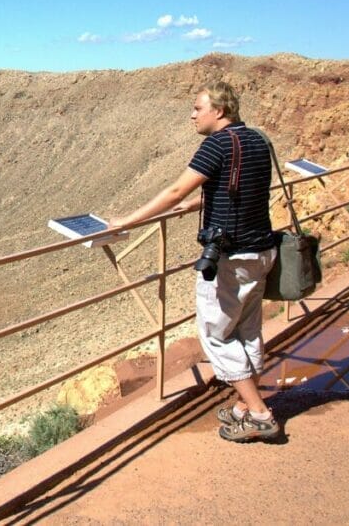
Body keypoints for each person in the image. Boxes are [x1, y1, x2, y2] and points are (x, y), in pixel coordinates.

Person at [107, 81, 280, 442]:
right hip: (262, 249)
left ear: (219, 110)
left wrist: (127, 220)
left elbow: (175, 190)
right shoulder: (258, 140)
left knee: (216, 335)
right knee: (247, 331)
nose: (191, 115)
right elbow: (244, 191)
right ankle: (244, 406)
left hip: (231, 258)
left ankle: (261, 415)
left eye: (197, 108)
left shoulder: (216, 143)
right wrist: (201, 204)